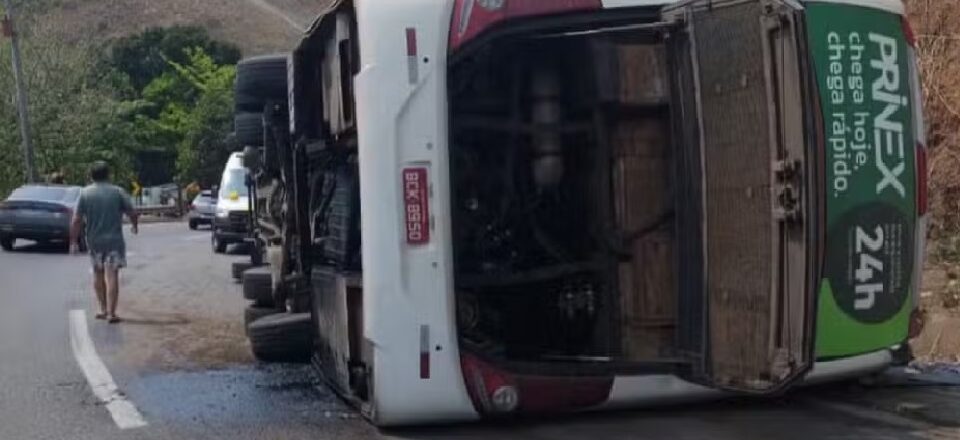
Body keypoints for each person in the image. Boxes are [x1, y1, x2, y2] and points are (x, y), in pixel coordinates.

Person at [70, 162, 139, 324]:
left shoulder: (85, 193)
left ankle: (102, 308)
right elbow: (132, 212)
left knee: (98, 273)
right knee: (112, 274)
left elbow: (76, 219)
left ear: (91, 175)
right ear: (108, 175)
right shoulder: (117, 192)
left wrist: (73, 241)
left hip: (94, 240)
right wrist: (135, 226)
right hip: (114, 240)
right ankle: (111, 312)